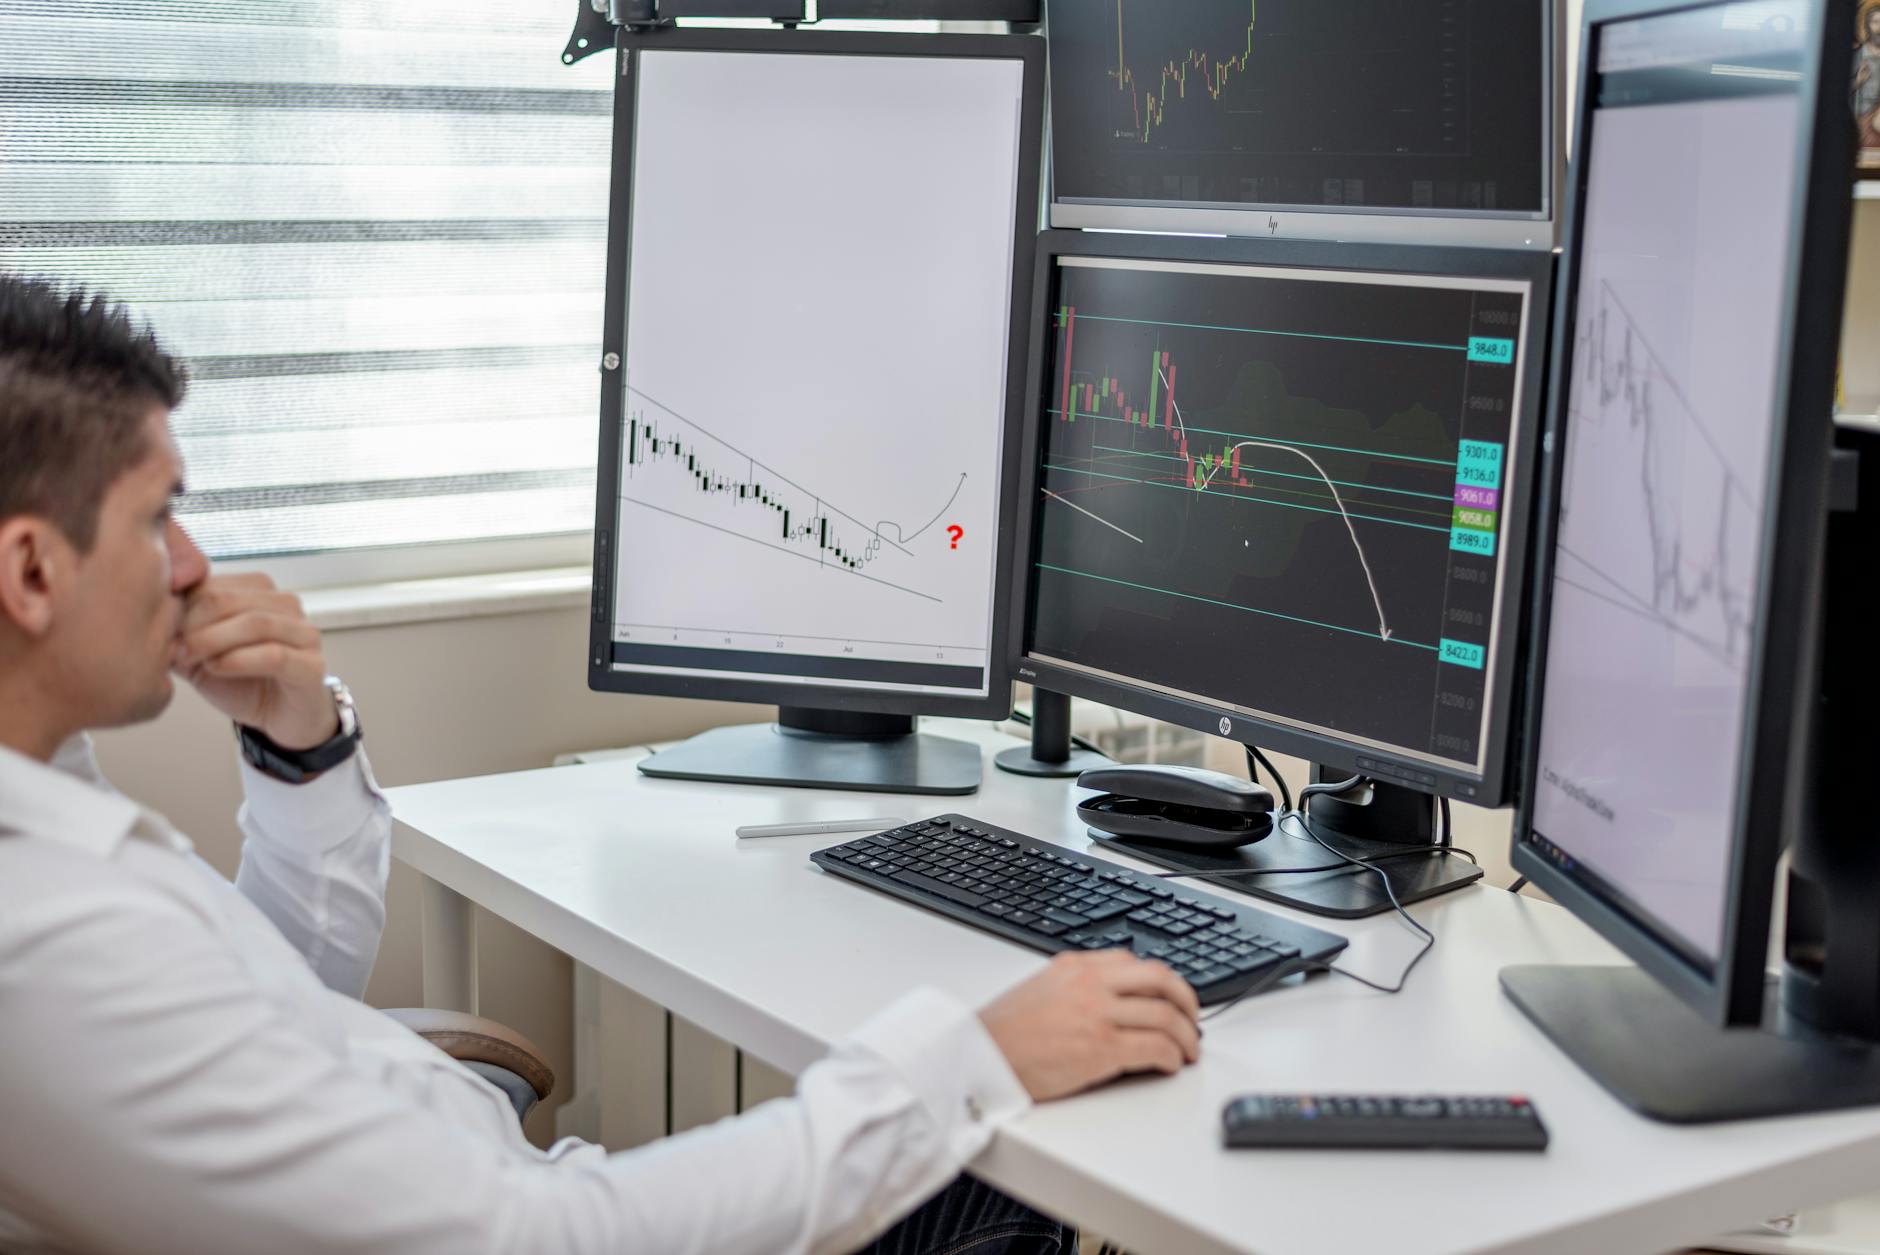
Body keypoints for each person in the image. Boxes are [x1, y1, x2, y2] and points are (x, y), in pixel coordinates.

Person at [0, 275, 1204, 1255]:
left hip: (517, 1194)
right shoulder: (52, 942)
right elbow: (544, 1237)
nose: (195, 562)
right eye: (160, 516)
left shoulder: (51, 798)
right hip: (556, 1220)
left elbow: (274, 991)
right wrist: (972, 1056)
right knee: (1067, 1164)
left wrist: (297, 742)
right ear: (33, 573)